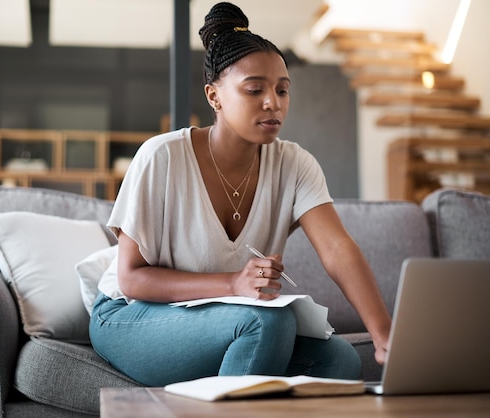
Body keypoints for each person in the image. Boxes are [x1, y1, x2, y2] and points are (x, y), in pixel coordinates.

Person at [89, 2, 391, 387]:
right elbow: (131, 279)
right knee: (265, 320)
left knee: (339, 361)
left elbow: (337, 249)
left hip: (224, 322)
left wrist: (384, 335)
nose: (273, 103)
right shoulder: (161, 157)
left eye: (283, 90)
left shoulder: (295, 164)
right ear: (214, 97)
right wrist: (233, 284)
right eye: (255, 90)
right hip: (132, 315)